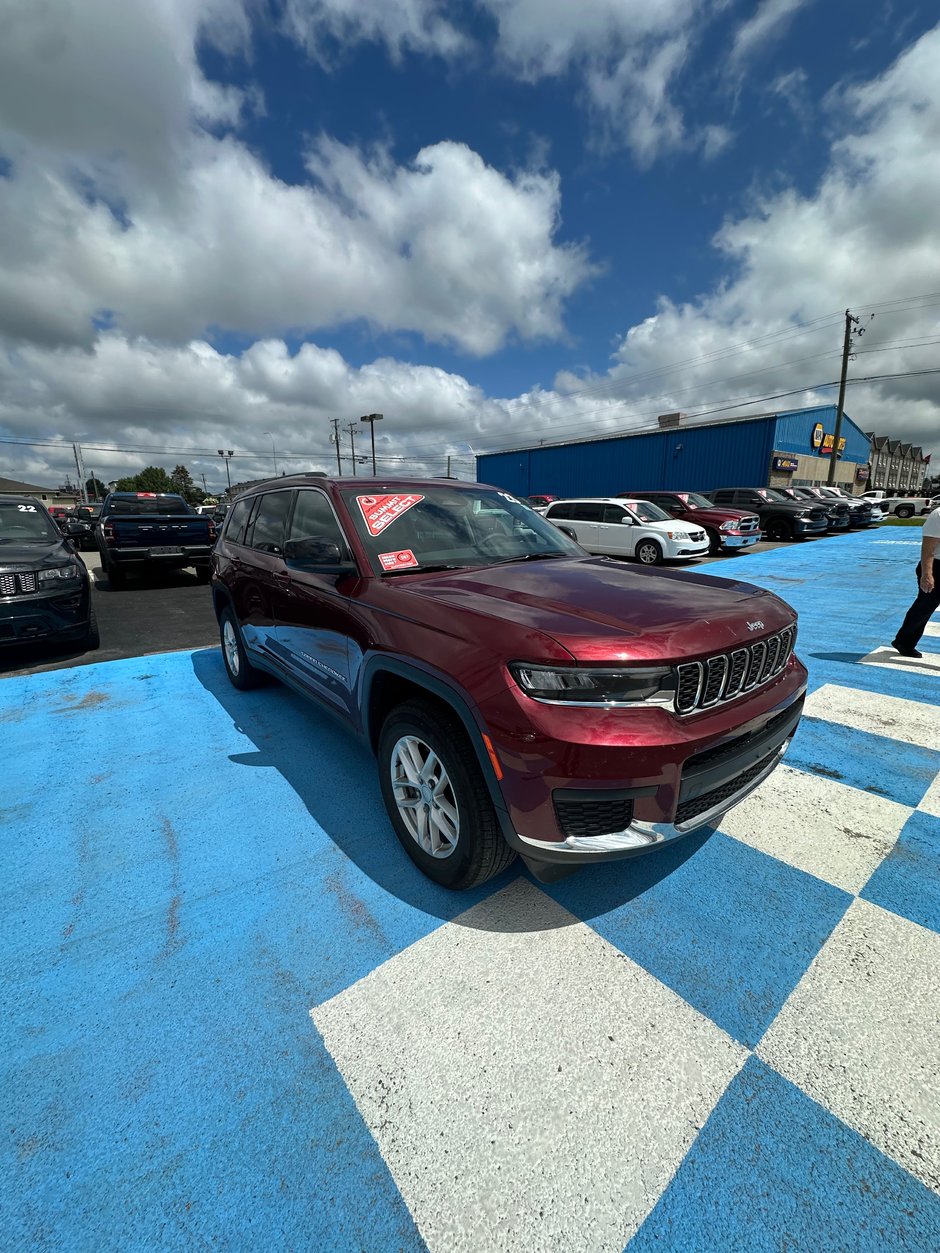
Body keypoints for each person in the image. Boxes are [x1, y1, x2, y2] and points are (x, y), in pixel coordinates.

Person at [891, 504, 940, 657]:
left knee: (923, 607)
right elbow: (928, 548)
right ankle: (904, 642)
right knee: (924, 607)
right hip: (936, 567)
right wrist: (927, 574)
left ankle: (904, 641)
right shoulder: (938, 515)